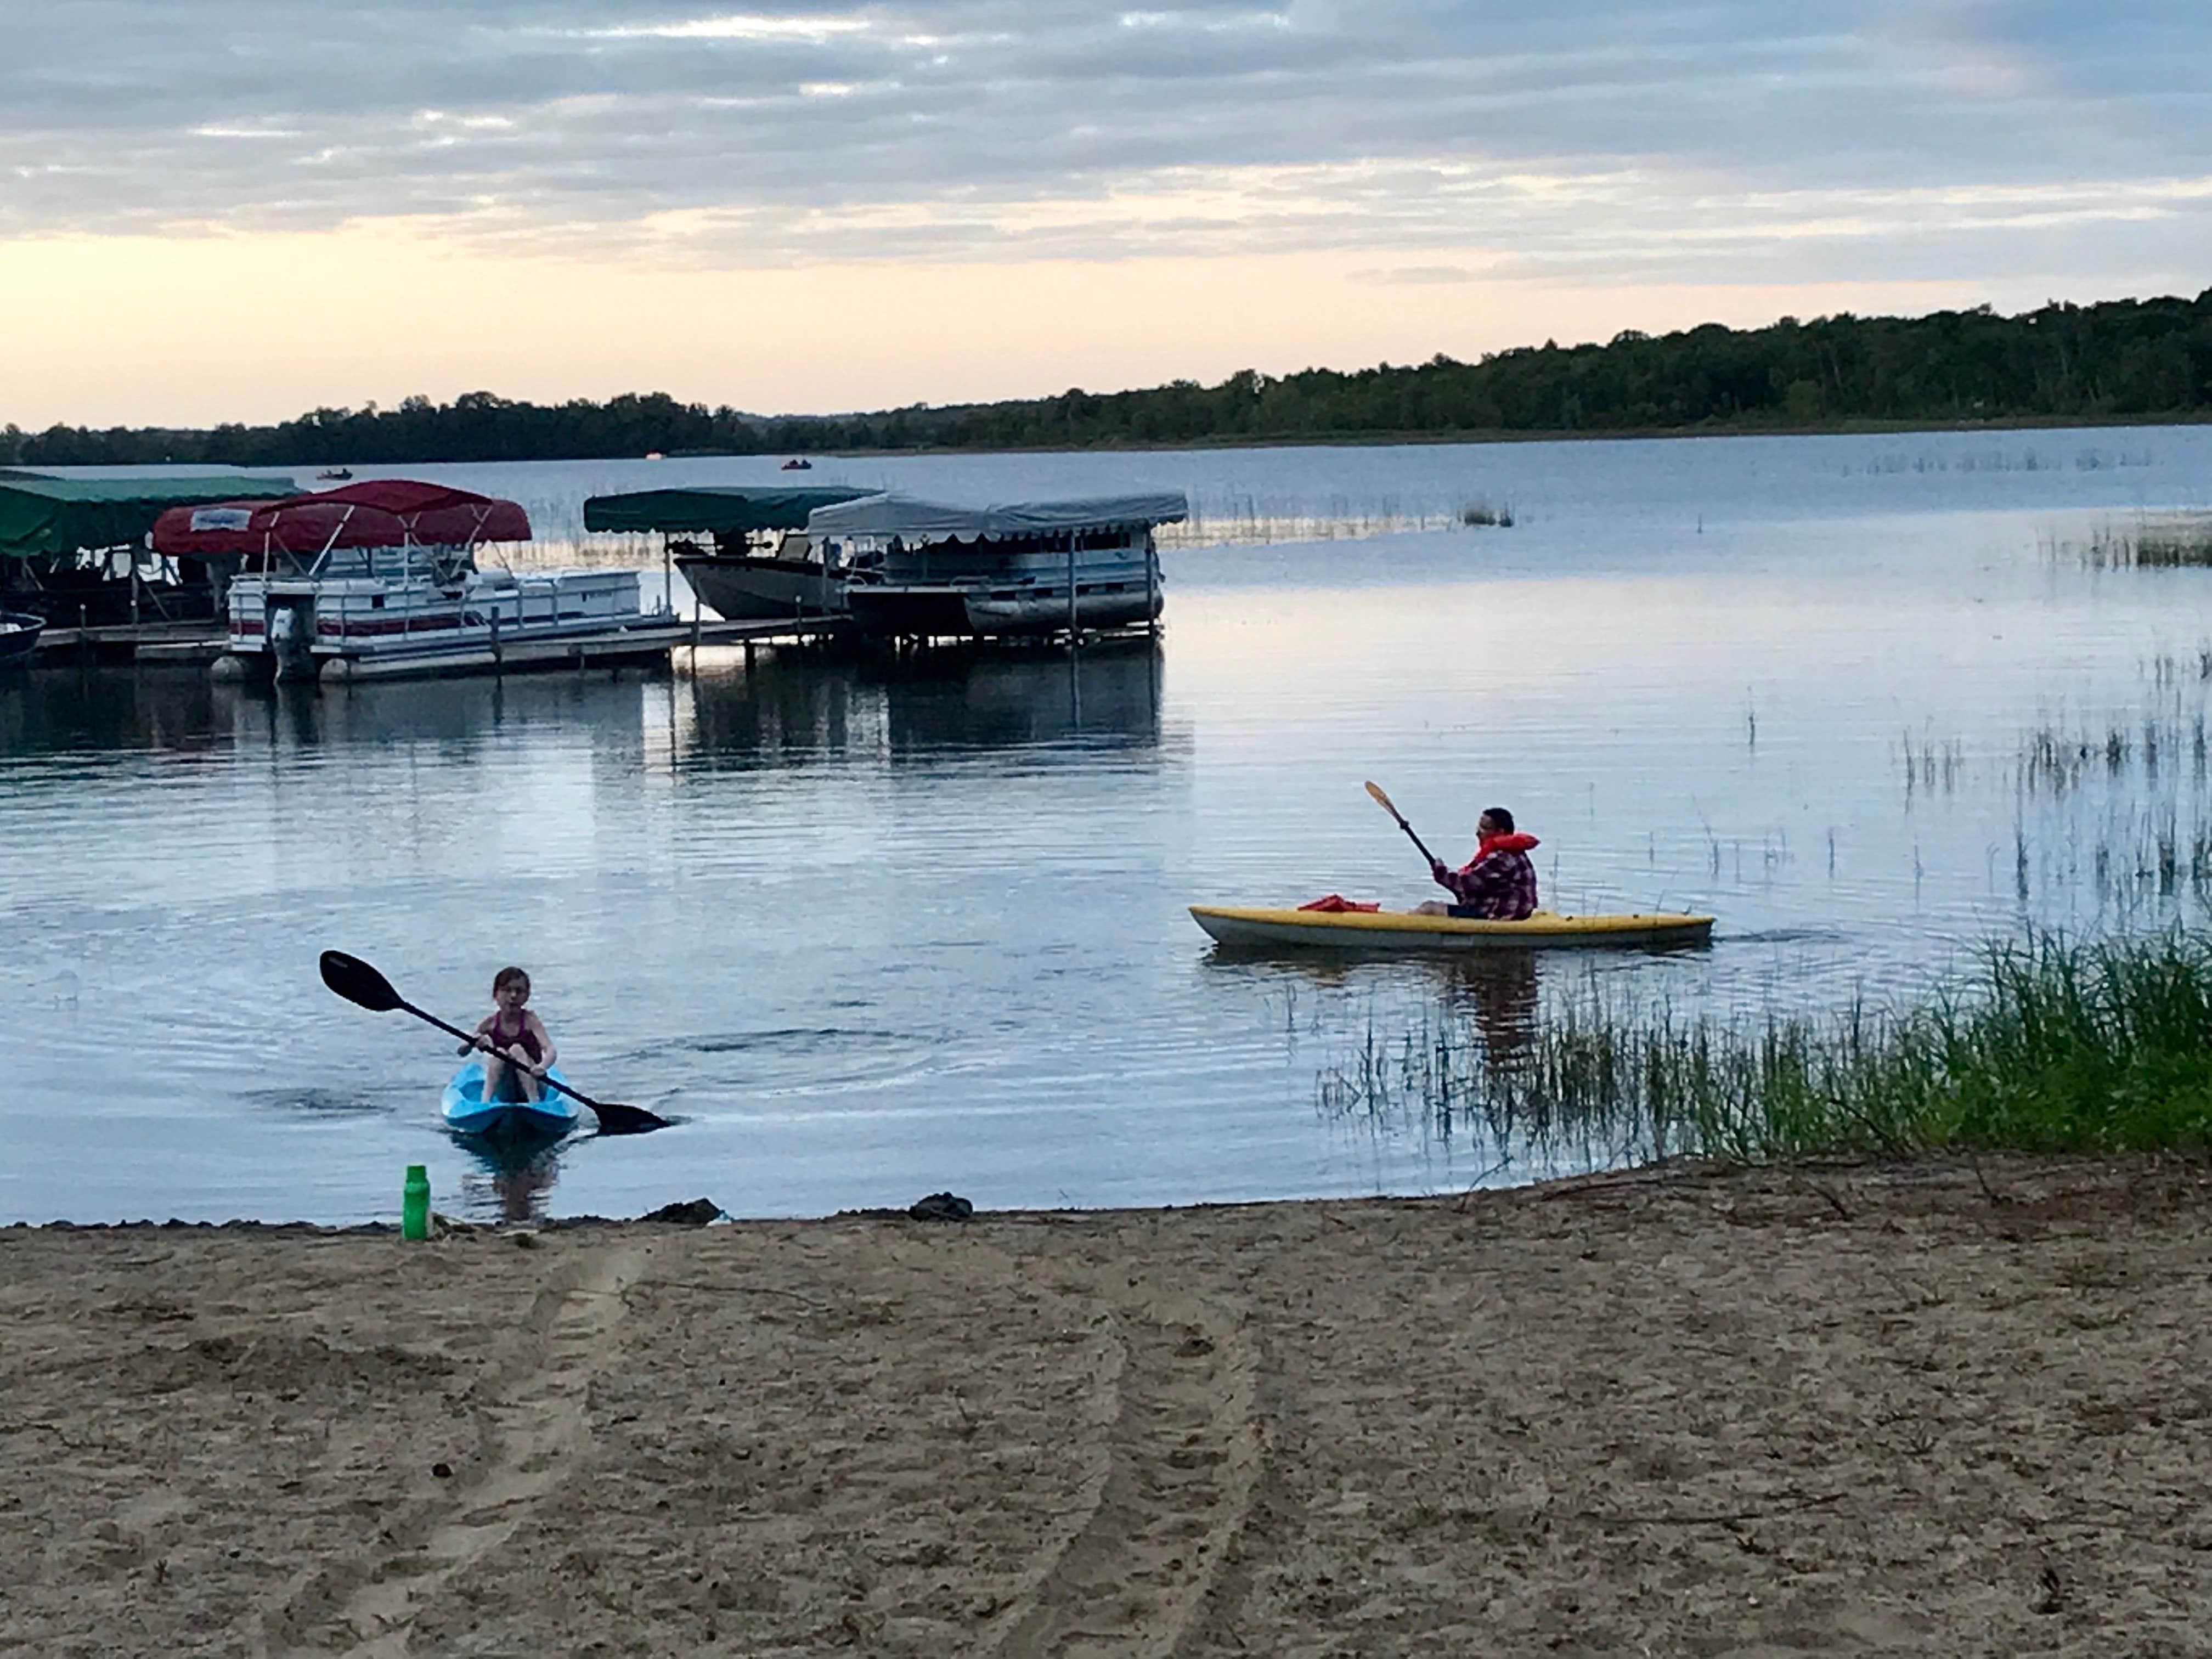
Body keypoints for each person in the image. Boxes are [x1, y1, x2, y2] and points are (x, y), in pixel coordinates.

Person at [1415, 806, 1541, 919]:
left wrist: (1440, 870)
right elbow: (1474, 887)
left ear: (1501, 832)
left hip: (1502, 914)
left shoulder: (1501, 858)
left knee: (1428, 908)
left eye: (1485, 828)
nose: (1478, 833)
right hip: (1508, 911)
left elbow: (1463, 883)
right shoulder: (1515, 853)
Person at [470, 966, 556, 1104]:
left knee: (517, 1049)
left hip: (534, 1084)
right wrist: (473, 1042)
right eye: (507, 990)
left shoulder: (530, 1020)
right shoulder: (489, 1024)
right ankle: (485, 1102)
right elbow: (462, 1051)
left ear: (527, 995)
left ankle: (534, 1102)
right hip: (506, 1089)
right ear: (496, 995)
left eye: (519, 991)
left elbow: (551, 1050)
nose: (513, 996)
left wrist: (542, 1067)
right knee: (499, 1054)